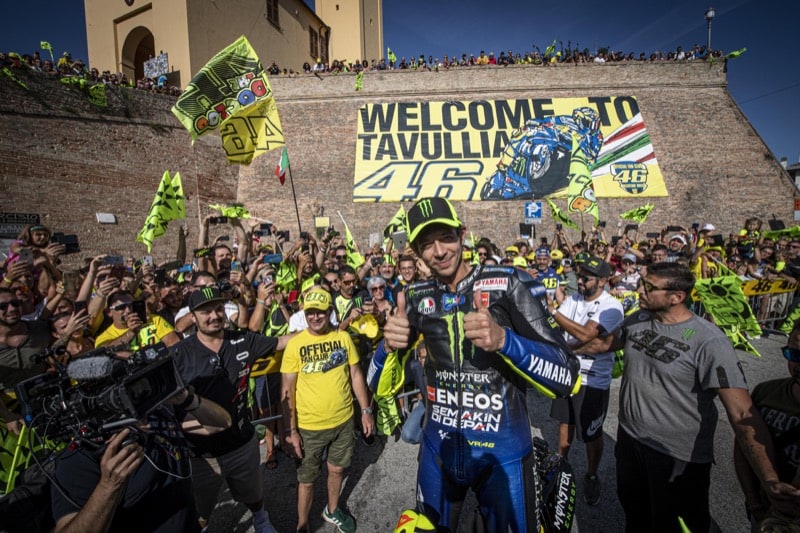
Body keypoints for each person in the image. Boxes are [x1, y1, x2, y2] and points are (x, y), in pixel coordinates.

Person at [370, 197, 580, 531]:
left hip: (504, 455)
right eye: (427, 244)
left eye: (446, 238)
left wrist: (505, 341)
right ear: (416, 251)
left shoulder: (509, 282)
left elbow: (566, 376)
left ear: (462, 234)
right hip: (438, 451)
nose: (439, 251)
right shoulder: (415, 296)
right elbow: (376, 385)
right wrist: (387, 347)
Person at [612, 262, 800, 532]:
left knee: (676, 525)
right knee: (635, 514)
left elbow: (741, 413)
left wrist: (769, 480)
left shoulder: (710, 341)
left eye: (649, 287)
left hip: (677, 457)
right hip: (630, 441)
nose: (640, 290)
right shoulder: (638, 319)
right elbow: (602, 343)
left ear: (676, 297)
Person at [172, 287, 291, 533]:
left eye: (218, 309)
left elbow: (281, 342)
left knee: (253, 493)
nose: (214, 316)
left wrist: (320, 331)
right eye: (205, 312)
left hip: (242, 443)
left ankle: (261, 519)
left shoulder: (242, 339)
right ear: (192, 317)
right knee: (201, 511)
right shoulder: (179, 354)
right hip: (201, 454)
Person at [51, 380, 233, 533]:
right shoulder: (82, 454)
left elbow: (220, 424)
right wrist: (109, 486)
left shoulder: (159, 412)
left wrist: (187, 399)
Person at [281, 288, 374, 533]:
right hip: (309, 427)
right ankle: (302, 525)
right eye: (310, 312)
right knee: (307, 480)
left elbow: (355, 374)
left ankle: (332, 510)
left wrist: (365, 410)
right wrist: (291, 431)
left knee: (337, 469)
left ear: (330, 311)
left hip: (343, 421)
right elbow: (287, 391)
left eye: (320, 312)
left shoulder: (343, 338)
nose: (315, 317)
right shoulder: (295, 344)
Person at [549, 256, 624, 506]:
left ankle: (591, 474)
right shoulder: (573, 299)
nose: (579, 281)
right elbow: (558, 332)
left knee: (591, 433)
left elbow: (585, 334)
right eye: (579, 276)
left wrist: (553, 312)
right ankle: (560, 466)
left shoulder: (611, 305)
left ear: (602, 281)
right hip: (568, 375)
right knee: (565, 425)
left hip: (593, 380)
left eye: (586, 278)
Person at [734, 320, 800, 528]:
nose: (798, 364)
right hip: (764, 514)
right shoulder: (766, 392)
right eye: (794, 354)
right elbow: (743, 446)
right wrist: (755, 504)